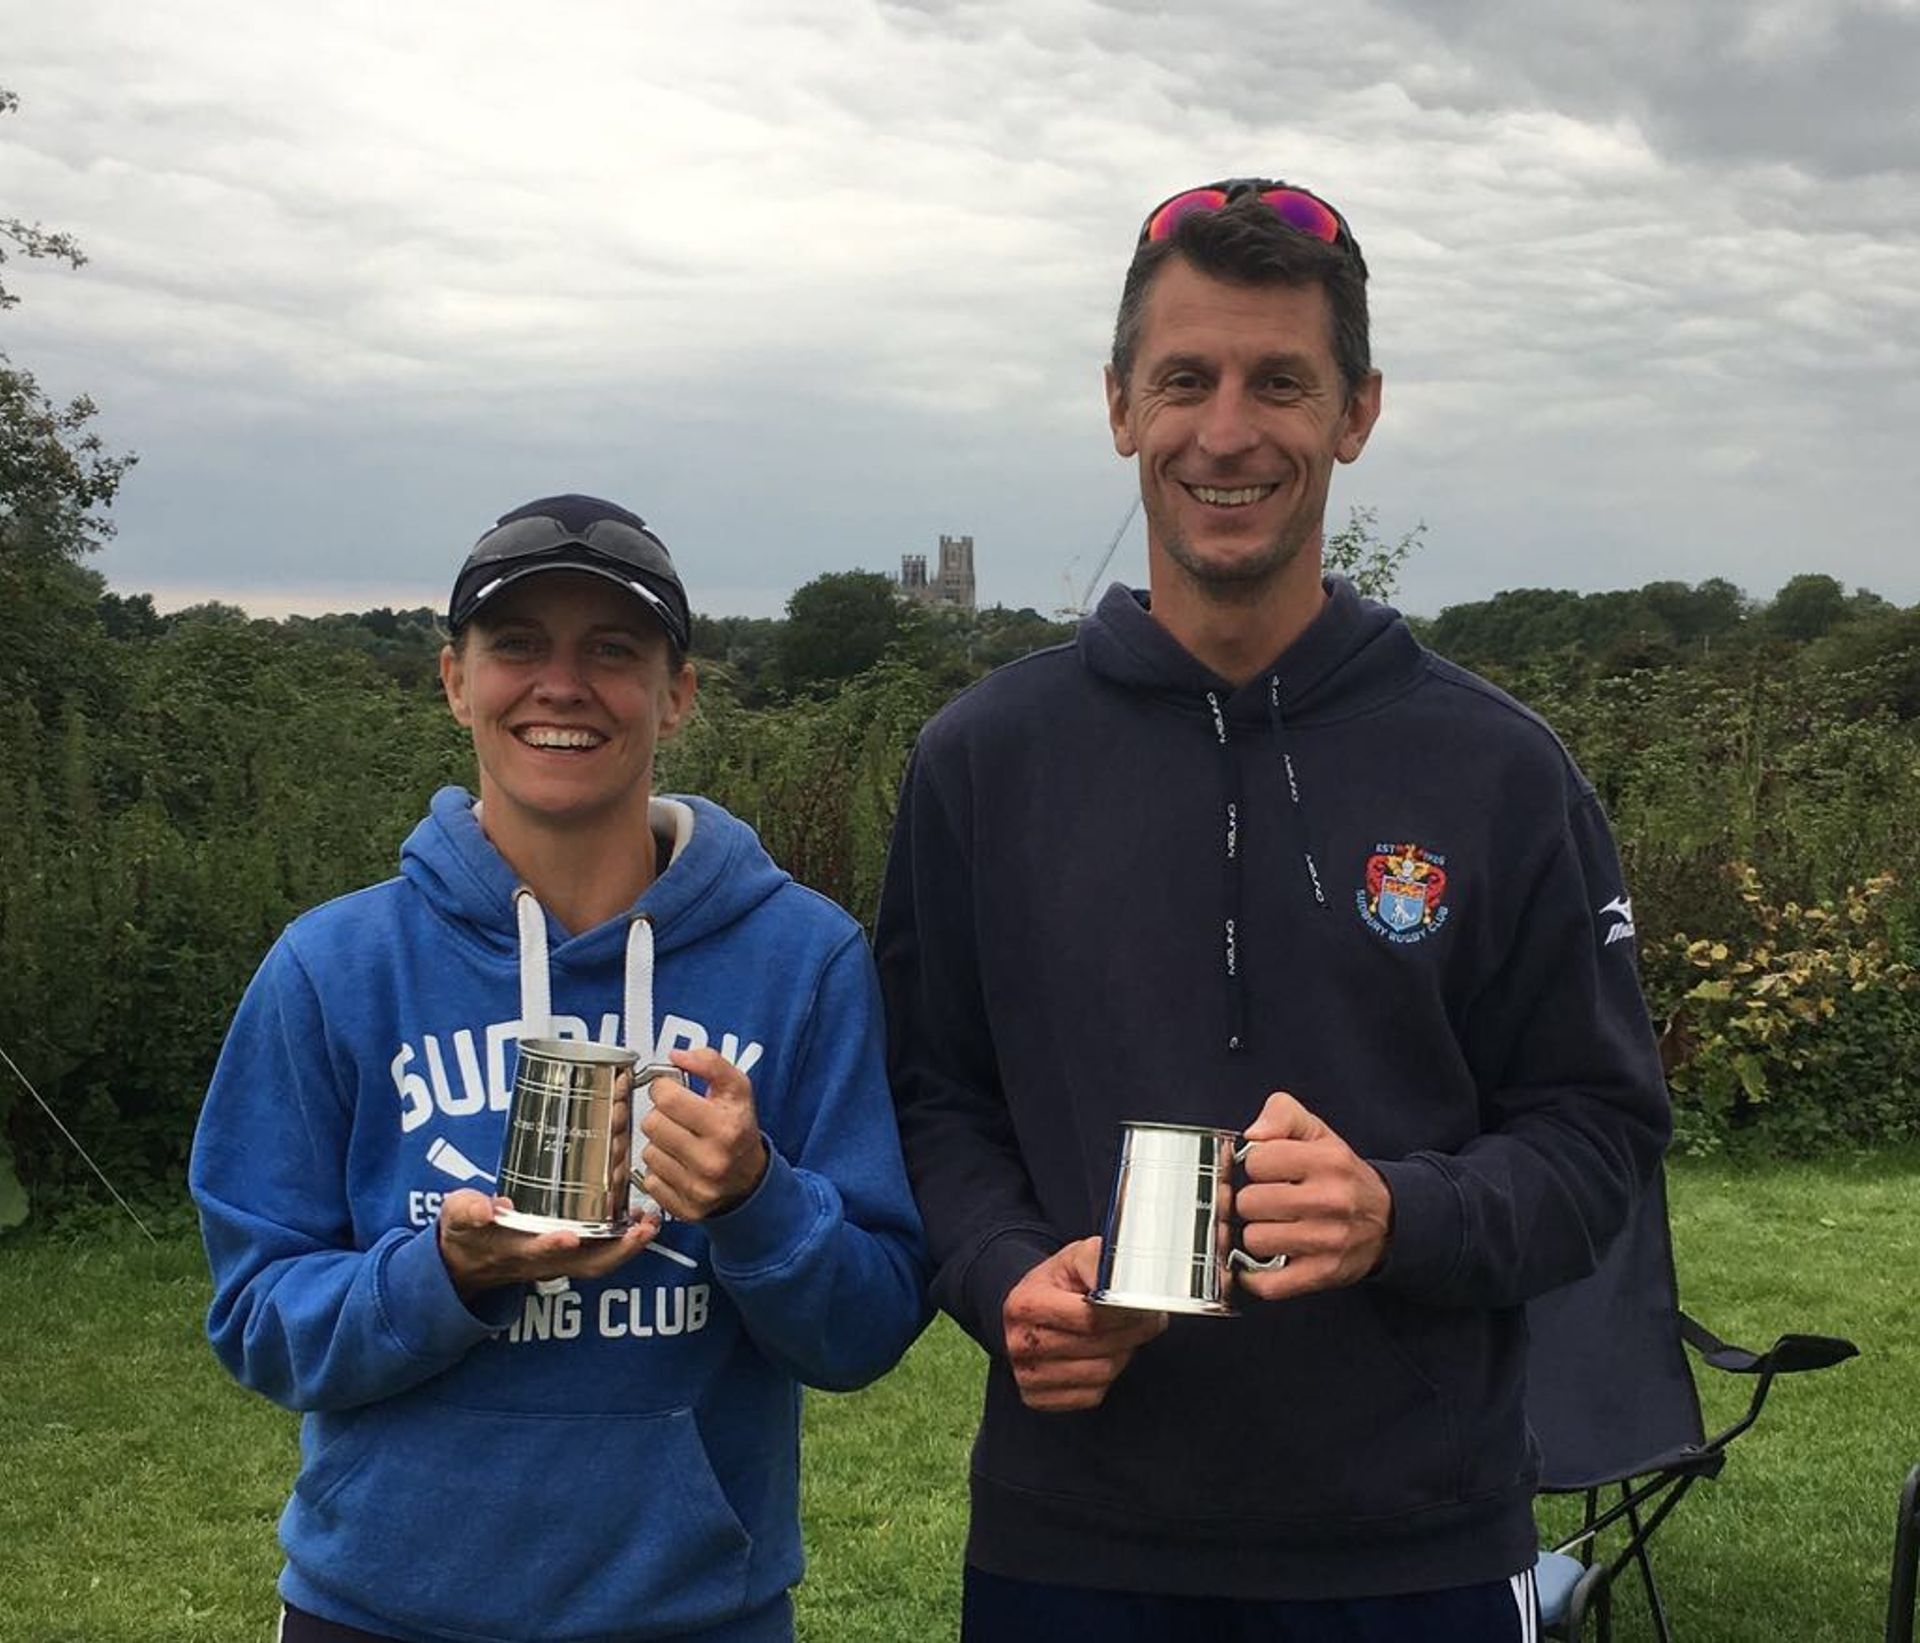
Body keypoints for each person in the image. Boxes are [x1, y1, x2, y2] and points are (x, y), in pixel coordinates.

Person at [874, 179, 1671, 1640]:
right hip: (1073, 1538)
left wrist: (1400, 1212)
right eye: (1185, 378)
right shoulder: (982, 760)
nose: (1226, 430)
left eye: (1280, 381)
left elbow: (1599, 1131)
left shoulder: (1499, 766)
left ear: (1356, 411)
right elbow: (930, 1097)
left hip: (1414, 1543)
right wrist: (1002, 1273)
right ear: (1121, 404)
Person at [191, 494, 928, 1643]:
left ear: (679, 691)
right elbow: (256, 1317)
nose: (562, 685)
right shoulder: (334, 965)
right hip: (378, 1610)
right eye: (518, 645)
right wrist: (443, 1271)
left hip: (694, 1612)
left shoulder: (803, 958)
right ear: (453, 680)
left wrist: (753, 1197)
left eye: (613, 651)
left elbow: (869, 1327)